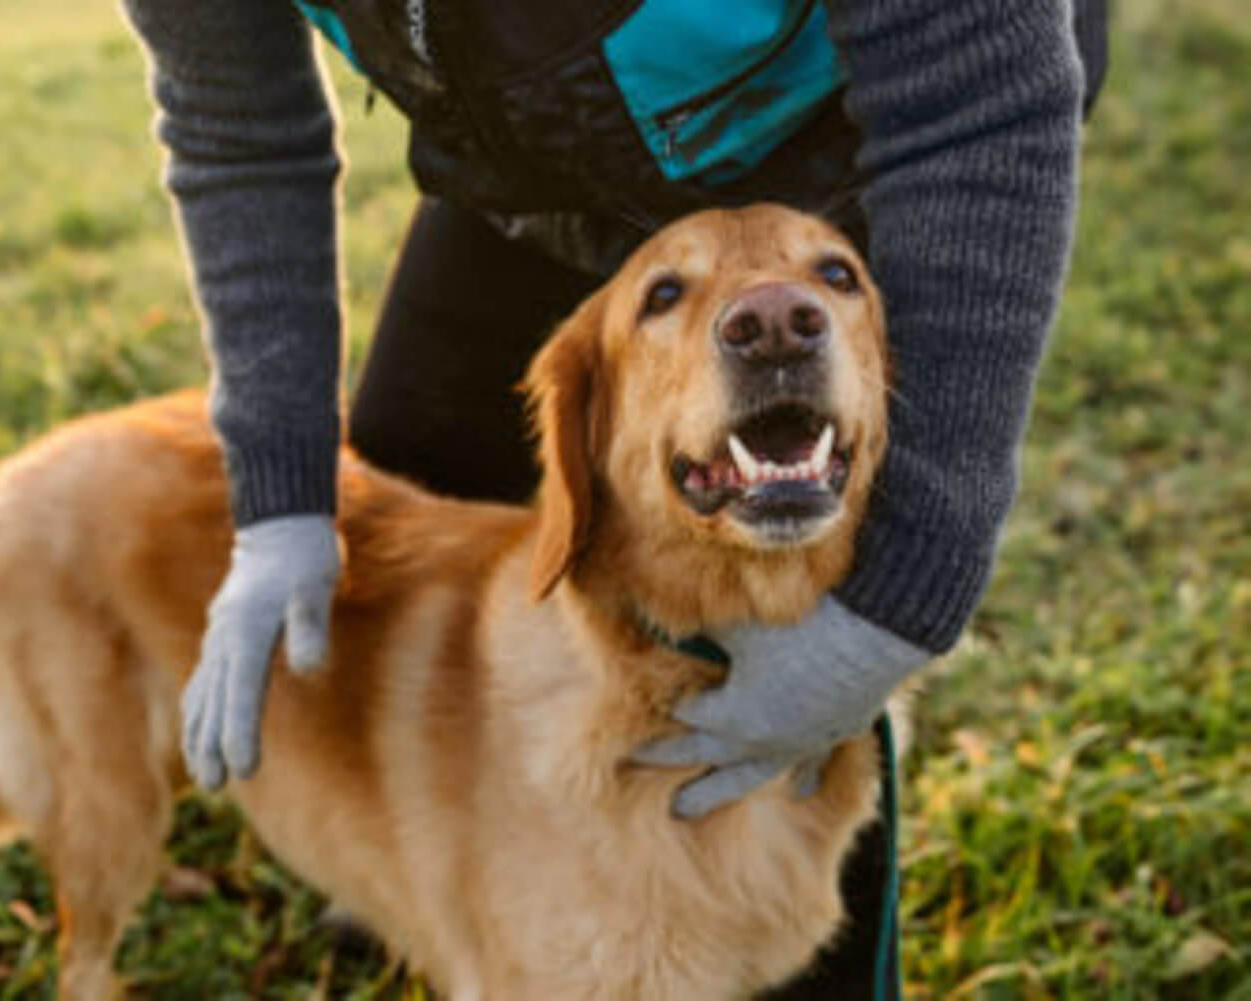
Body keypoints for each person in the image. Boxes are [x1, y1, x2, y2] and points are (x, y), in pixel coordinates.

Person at [122, 1, 1107, 995]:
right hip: (543, 154)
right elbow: (237, 135)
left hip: (858, 119)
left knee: (812, 591)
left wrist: (894, 604)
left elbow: (977, 102)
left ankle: (811, 961)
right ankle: (447, 879)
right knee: (414, 457)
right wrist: (283, 498)